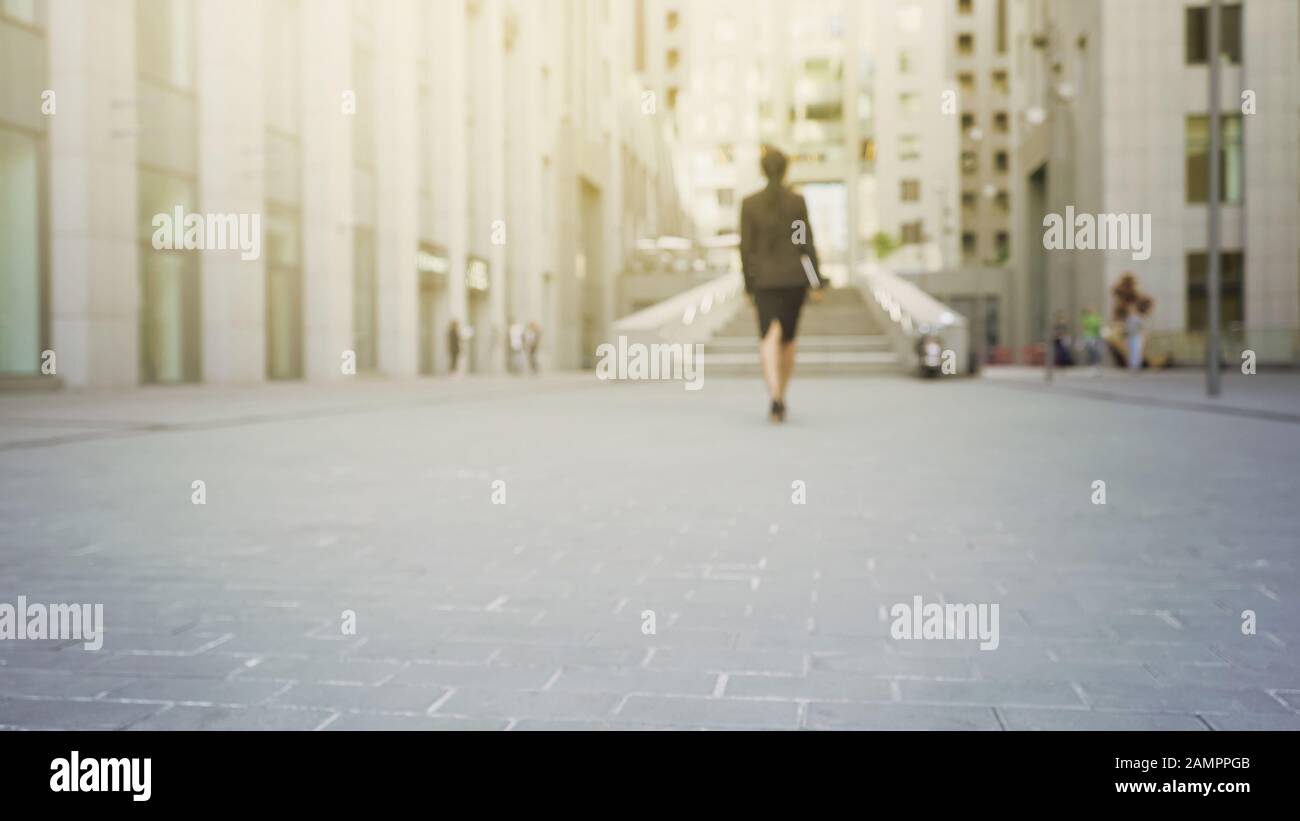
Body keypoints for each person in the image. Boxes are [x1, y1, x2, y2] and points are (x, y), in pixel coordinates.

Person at [739, 145, 826, 423]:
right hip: (792, 280)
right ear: (786, 169)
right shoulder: (796, 202)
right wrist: (816, 280)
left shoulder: (749, 204)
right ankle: (782, 395)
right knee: (788, 340)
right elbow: (804, 243)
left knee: (767, 337)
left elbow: (746, 249)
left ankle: (774, 396)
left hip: (764, 281)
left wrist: (748, 285)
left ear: (762, 170)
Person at [1125, 296, 1151, 372]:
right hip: (1130, 336)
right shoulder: (1129, 318)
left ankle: (1136, 366)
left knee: (1137, 351)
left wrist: (1144, 336)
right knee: (1131, 351)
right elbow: (1127, 328)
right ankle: (1132, 366)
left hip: (1137, 336)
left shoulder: (1138, 318)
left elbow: (1143, 328)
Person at [1080, 307, 1103, 373]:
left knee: (1093, 351)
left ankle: (1094, 364)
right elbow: (1085, 326)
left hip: (1092, 336)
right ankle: (1093, 364)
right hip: (1089, 336)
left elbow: (1096, 327)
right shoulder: (1089, 318)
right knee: (1091, 351)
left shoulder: (1093, 318)